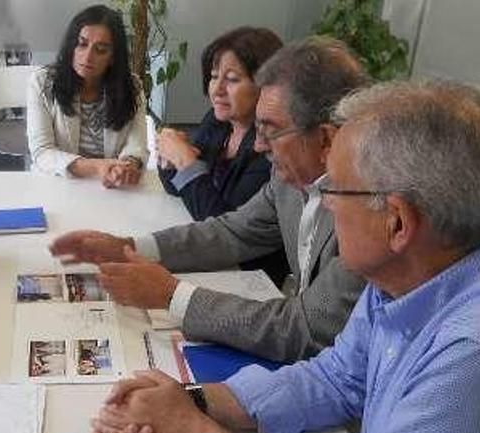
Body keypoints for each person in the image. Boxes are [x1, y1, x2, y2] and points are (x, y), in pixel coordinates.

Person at [91, 80, 480, 433]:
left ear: (398, 222)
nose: (321, 201)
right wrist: (188, 402)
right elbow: (337, 377)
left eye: (336, 189)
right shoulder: (417, 268)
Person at [50, 37, 369, 362]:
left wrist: (171, 295)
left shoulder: (367, 209)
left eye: (270, 130)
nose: (258, 145)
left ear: (327, 139)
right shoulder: (288, 177)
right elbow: (234, 231)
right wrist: (128, 247)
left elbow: (304, 330)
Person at [157, 26, 282, 221]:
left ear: (265, 85)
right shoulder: (216, 122)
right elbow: (177, 188)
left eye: (232, 79)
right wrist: (169, 156)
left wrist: (184, 160)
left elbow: (224, 226)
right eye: (214, 77)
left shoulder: (269, 147)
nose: (217, 90)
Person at [26, 4, 147, 188]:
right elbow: (42, 151)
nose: (88, 56)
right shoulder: (43, 82)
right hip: (59, 183)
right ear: (71, 44)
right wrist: (96, 167)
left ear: (113, 56)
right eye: (82, 44)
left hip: (112, 188)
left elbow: (136, 144)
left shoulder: (132, 86)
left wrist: (128, 166)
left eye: (100, 50)